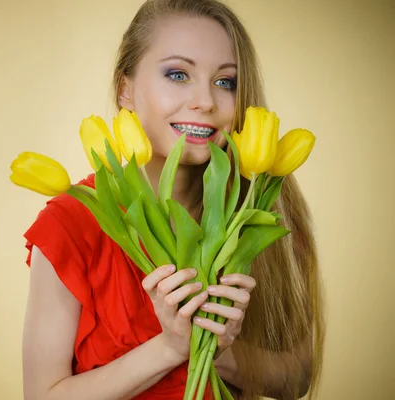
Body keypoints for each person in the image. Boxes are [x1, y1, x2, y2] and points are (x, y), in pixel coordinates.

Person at [20, 1, 325, 399]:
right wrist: (170, 348)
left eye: (225, 82)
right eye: (178, 74)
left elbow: (298, 379)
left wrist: (217, 349)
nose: (205, 102)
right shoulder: (72, 224)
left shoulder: (263, 213)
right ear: (124, 89)